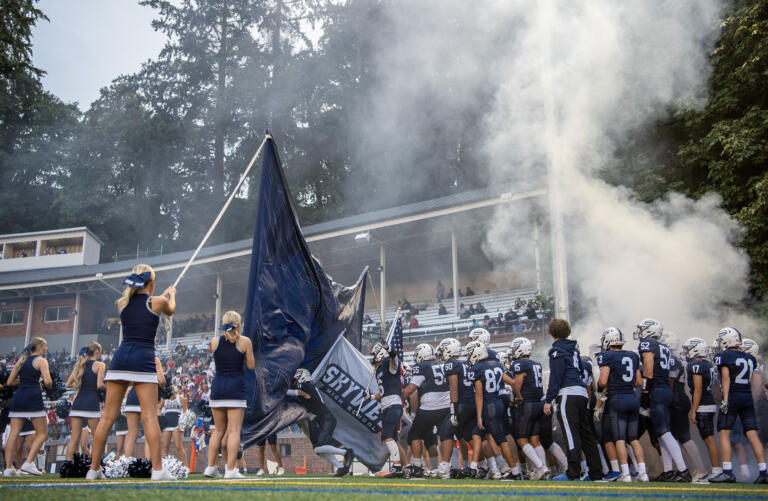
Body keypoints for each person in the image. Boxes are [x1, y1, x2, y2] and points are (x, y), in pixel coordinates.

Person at [87, 264, 177, 480]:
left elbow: (143, 306)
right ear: (151, 283)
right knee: (149, 417)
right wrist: (171, 294)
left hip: (120, 359)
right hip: (143, 359)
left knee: (107, 417)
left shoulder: (122, 303)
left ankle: (94, 469)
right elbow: (169, 309)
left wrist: (161, 296)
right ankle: (157, 470)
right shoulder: (159, 302)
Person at [544, 319, 603, 481]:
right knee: (587, 435)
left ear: (551, 332)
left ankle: (573, 472)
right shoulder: (574, 350)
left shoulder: (556, 350)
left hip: (567, 394)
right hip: (581, 393)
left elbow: (556, 377)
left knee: (571, 434)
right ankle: (597, 472)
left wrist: (549, 400)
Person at [710, 327, 767, 483]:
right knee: (752, 434)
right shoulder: (750, 358)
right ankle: (763, 472)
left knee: (723, 433)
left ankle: (727, 471)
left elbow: (726, 378)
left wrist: (725, 400)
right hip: (746, 397)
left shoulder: (724, 355)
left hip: (733, 396)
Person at [635, 318, 690, 482]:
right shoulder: (664, 347)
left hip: (656, 390)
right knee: (661, 433)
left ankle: (683, 470)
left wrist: (645, 392)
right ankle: (668, 471)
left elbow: (649, 369)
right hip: (664, 388)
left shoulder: (647, 344)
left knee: (664, 431)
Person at [204, 310, 255, 478]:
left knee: (217, 431)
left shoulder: (214, 341)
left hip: (218, 387)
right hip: (235, 387)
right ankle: (231, 470)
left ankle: (210, 467)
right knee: (234, 431)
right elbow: (251, 366)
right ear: (239, 324)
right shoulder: (245, 341)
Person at [596, 328, 648, 482]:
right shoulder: (632, 355)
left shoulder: (607, 356)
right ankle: (643, 473)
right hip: (632, 399)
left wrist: (603, 390)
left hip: (617, 399)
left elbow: (603, 382)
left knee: (619, 438)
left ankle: (625, 473)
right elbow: (639, 382)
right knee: (633, 439)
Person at [466, 341, 518, 480]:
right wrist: (518, 396)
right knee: (477, 434)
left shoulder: (476, 369)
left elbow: (479, 395)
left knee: (501, 440)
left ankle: (514, 471)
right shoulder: (496, 365)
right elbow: (512, 382)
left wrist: (479, 416)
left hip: (488, 406)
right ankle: (473, 467)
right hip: (498, 402)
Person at [289, 368, 354, 476]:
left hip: (325, 418)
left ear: (302, 377)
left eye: (296, 379)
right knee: (318, 451)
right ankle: (340, 467)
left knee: (320, 446)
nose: (294, 382)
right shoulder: (302, 391)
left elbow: (299, 392)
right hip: (316, 420)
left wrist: (283, 391)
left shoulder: (307, 386)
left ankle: (346, 452)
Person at [3, 337, 52, 476]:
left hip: (18, 398)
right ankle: (29, 463)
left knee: (13, 434)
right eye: (46, 345)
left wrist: (25, 380)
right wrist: (46, 383)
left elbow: (10, 382)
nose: (47, 348)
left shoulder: (21, 360)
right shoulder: (41, 361)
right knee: (42, 433)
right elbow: (48, 381)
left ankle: (8, 468)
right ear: (40, 346)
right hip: (33, 397)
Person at [403, 343, 452, 478]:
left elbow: (411, 390)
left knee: (415, 435)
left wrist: (400, 397)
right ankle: (440, 468)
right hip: (447, 406)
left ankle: (418, 466)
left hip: (429, 406)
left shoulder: (422, 367)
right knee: (434, 438)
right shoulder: (443, 364)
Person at [507, 337, 550, 480]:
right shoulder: (536, 363)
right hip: (539, 403)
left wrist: (515, 397)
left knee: (522, 440)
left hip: (528, 404)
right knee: (535, 439)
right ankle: (544, 467)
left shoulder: (519, 363)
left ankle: (541, 467)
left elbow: (517, 384)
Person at [365, 341, 408, 478]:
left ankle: (397, 467)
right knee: (392, 438)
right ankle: (399, 467)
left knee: (387, 436)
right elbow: (383, 393)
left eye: (375, 355)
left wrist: (390, 349)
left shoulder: (389, 364)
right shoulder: (379, 370)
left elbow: (395, 359)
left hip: (393, 405)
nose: (373, 358)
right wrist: (370, 397)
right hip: (387, 406)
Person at [683, 337, 721, 481]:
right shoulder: (707, 364)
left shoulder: (695, 365)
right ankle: (716, 469)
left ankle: (716, 470)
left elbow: (698, 390)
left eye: (688, 349)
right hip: (709, 404)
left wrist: (693, 410)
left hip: (703, 405)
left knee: (709, 439)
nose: (686, 352)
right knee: (709, 439)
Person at [65, 342, 106, 461]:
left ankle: (68, 464)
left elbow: (68, 384)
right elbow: (99, 385)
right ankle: (96, 465)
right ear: (97, 351)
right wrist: (108, 388)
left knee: (74, 438)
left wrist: (80, 385)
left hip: (78, 403)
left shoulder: (79, 365)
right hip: (91, 403)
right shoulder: (100, 365)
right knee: (97, 436)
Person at [441, 337, 474, 479]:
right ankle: (471, 467)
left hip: (460, 404)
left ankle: (446, 468)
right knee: (465, 436)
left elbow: (454, 388)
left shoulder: (451, 364)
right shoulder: (465, 364)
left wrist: (453, 409)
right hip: (471, 403)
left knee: (445, 433)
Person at [161, 386, 189, 470]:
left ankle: (186, 467)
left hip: (177, 424)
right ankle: (162, 468)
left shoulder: (180, 398)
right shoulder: (164, 399)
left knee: (178, 446)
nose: (171, 394)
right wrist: (160, 420)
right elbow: (158, 409)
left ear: (176, 392)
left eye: (173, 392)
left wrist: (183, 425)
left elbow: (186, 412)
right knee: (165, 447)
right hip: (166, 425)